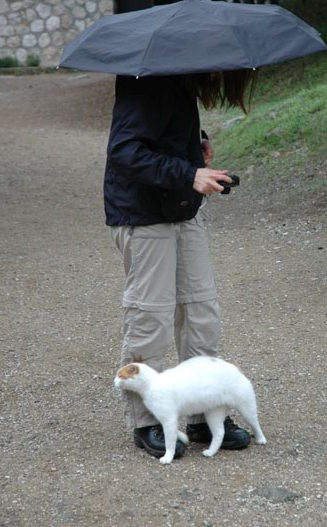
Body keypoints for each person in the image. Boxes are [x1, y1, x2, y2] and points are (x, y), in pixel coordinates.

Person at [105, 70, 257, 459]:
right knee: (151, 317)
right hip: (143, 216)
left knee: (201, 312)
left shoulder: (181, 80)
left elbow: (163, 136)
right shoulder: (146, 81)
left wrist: (197, 149)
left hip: (182, 212)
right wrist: (189, 173)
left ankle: (204, 415)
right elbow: (125, 152)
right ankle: (147, 422)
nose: (221, 72)